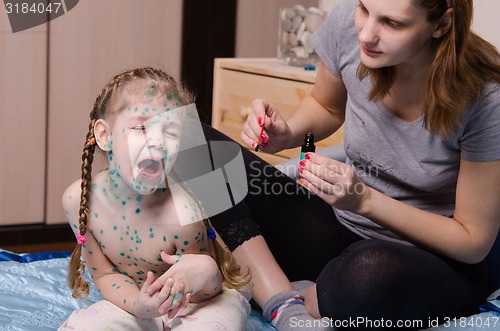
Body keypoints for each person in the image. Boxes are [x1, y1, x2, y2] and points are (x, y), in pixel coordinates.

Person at [211, 0, 500, 330]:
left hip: (429, 261)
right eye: (364, 8)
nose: (365, 33)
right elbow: (326, 105)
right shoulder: (350, 23)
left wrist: (365, 200)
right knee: (195, 146)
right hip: (339, 227)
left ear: (441, 25)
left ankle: (314, 289)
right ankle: (283, 301)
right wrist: (286, 133)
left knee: (367, 278)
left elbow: (472, 241)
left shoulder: (487, 95)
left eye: (392, 23)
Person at [60, 67, 251, 330]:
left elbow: (207, 290)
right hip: (136, 300)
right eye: (141, 126)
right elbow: (105, 274)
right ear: (105, 136)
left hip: (199, 301)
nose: (158, 141)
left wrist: (204, 273)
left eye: (171, 132)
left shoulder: (182, 213)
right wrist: (140, 305)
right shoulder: (79, 200)